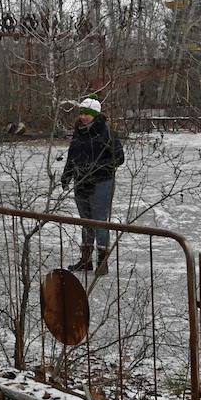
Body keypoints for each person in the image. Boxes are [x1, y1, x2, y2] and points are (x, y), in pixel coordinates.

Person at [60, 97, 124, 274]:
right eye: (81, 113)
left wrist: (96, 168)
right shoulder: (78, 132)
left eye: (88, 114)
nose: (84, 117)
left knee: (99, 222)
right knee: (85, 222)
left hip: (101, 182)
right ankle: (85, 260)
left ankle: (102, 263)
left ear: (96, 115)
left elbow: (119, 158)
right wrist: (66, 175)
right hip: (80, 182)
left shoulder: (106, 132)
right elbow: (72, 156)